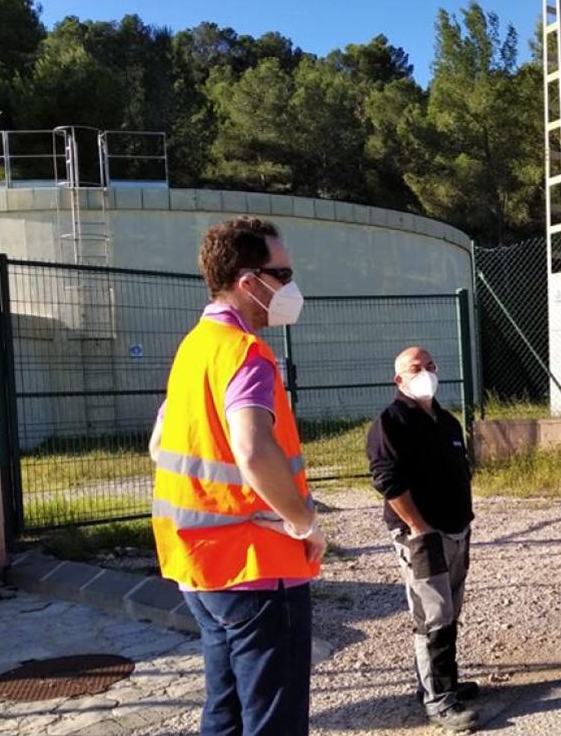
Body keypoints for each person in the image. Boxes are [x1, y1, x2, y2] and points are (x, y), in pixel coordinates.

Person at [148, 216, 327, 736]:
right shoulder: (247, 354)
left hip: (198, 566)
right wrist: (303, 523)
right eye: (284, 272)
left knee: (223, 711)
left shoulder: (193, 348)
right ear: (249, 281)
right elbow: (252, 449)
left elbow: (160, 444)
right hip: (256, 566)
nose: (290, 284)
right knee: (273, 720)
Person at [366, 347, 479, 733]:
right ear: (399, 379)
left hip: (457, 530)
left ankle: (440, 683)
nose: (426, 373)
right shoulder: (392, 422)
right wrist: (417, 526)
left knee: (451, 610)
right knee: (433, 617)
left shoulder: (446, 422)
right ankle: (440, 702)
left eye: (431, 366)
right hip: (422, 536)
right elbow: (386, 479)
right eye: (416, 368)